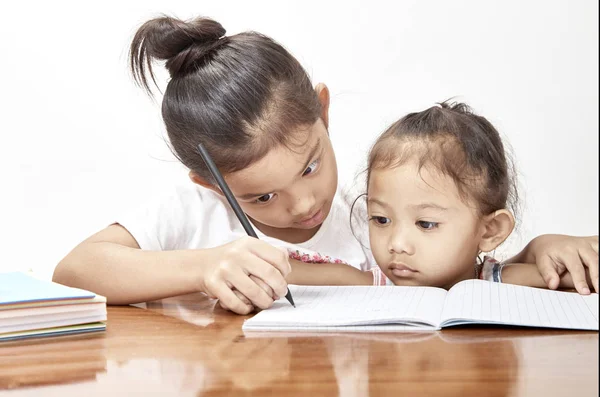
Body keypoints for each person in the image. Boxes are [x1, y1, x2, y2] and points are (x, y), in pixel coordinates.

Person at [52, 15, 597, 315]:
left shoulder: (370, 219)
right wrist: (201, 267)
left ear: (324, 111)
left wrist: (536, 249)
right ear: (210, 183)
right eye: (262, 197)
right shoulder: (192, 212)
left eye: (310, 167)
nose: (305, 203)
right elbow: (75, 270)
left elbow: (461, 278)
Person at [362, 101, 598, 291]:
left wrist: (546, 245)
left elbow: (583, 272)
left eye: (426, 223)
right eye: (381, 219)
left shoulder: (497, 281)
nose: (397, 244)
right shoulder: (371, 284)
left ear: (490, 230)